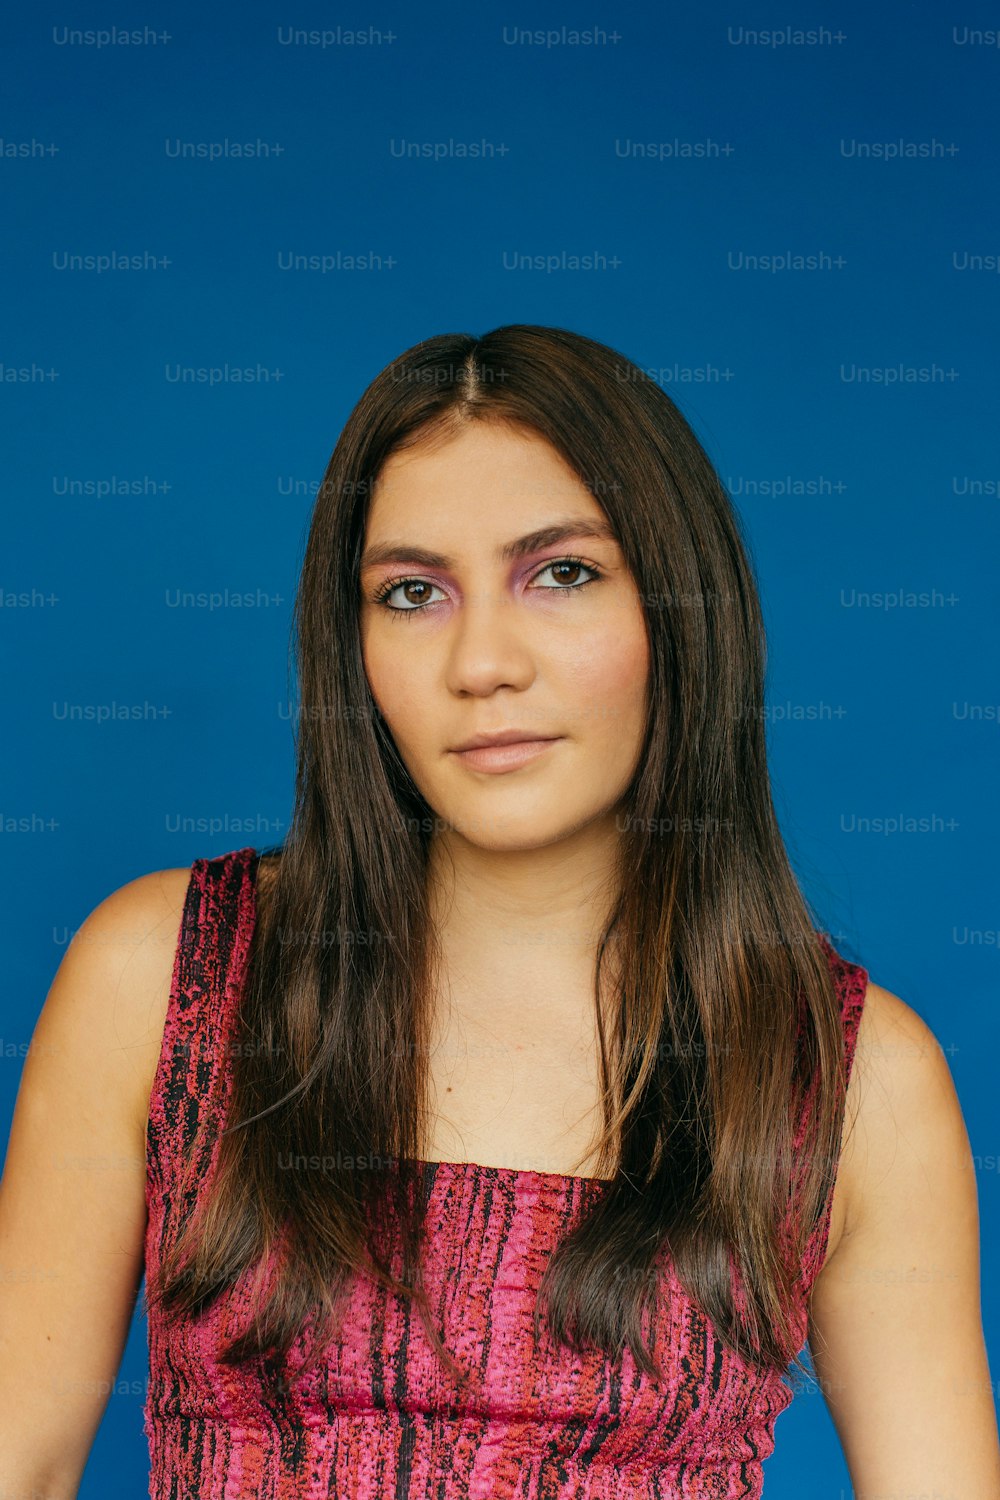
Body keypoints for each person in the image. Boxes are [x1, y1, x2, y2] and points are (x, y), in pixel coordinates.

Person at [1, 325, 997, 1499]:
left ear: (681, 609)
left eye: (561, 573)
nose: (481, 663)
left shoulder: (850, 1079)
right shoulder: (166, 975)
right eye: (412, 593)